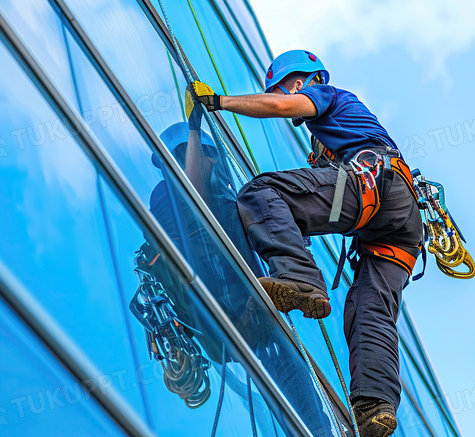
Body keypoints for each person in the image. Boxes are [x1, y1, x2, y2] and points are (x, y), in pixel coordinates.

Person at [187, 50, 423, 437]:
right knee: (369, 310)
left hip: (374, 185)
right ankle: (376, 406)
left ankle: (298, 276)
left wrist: (218, 103)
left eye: (282, 86)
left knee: (262, 193)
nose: (284, 94)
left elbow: (281, 106)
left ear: (299, 81)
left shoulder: (327, 95)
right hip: (399, 225)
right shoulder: (337, 133)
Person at [143, 104, 334, 435]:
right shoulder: (167, 196)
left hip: (253, 319)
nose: (215, 163)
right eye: (207, 156)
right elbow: (195, 202)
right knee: (293, 392)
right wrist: (195, 128)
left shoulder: (230, 199)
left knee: (302, 402)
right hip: (229, 323)